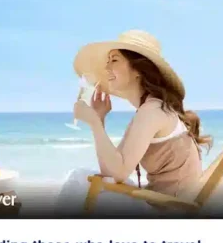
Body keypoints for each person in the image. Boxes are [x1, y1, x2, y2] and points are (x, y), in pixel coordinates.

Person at [56, 30, 210, 215]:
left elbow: (118, 173)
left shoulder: (153, 112)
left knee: (79, 179)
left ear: (138, 70)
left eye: (114, 60)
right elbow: (110, 170)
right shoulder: (149, 109)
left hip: (167, 210)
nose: (106, 69)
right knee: (82, 178)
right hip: (163, 203)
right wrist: (99, 120)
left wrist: (95, 124)